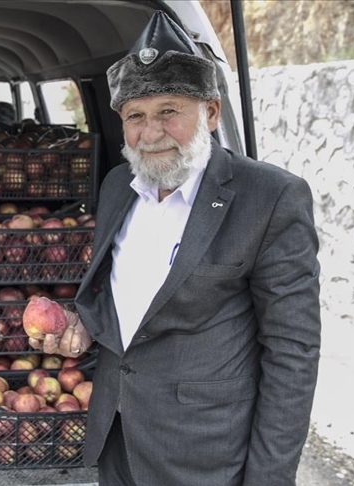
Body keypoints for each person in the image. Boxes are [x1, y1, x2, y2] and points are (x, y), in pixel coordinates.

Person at [28, 11, 321, 486]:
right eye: (135, 117)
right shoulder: (118, 185)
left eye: (169, 111)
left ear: (209, 112)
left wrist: (269, 478)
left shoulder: (269, 197)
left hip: (207, 453)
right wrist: (86, 328)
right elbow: (125, 299)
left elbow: (293, 352)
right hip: (118, 436)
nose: (151, 132)